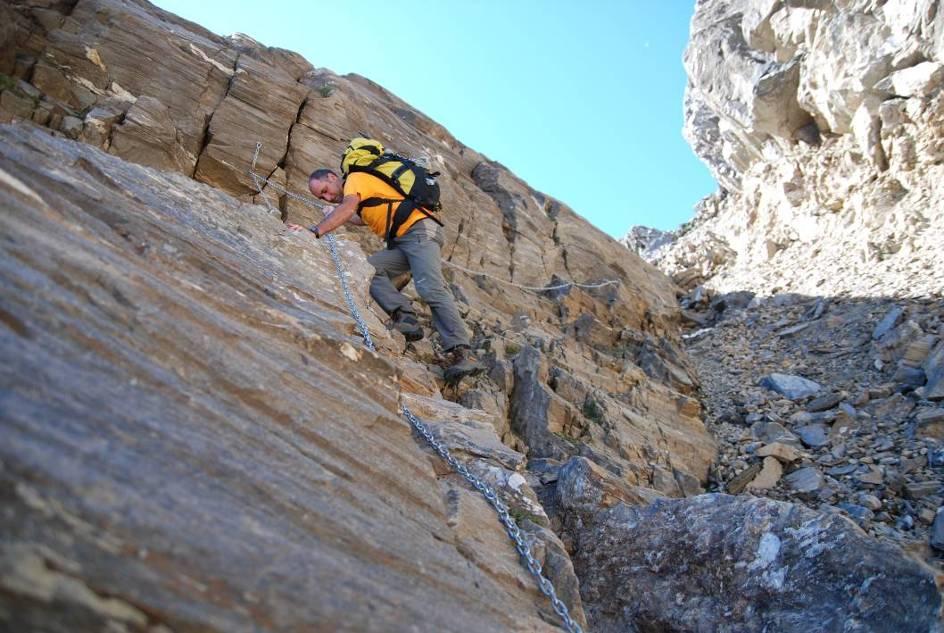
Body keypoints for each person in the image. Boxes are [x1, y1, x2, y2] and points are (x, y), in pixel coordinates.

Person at [302, 167, 484, 381]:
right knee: (368, 270)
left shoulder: (355, 179)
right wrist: (334, 211)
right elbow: (362, 217)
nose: (327, 197)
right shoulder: (361, 193)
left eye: (325, 190)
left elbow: (348, 208)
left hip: (419, 231)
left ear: (332, 178)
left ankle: (464, 352)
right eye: (321, 196)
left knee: (430, 288)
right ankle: (405, 317)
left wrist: (315, 231)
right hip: (402, 241)